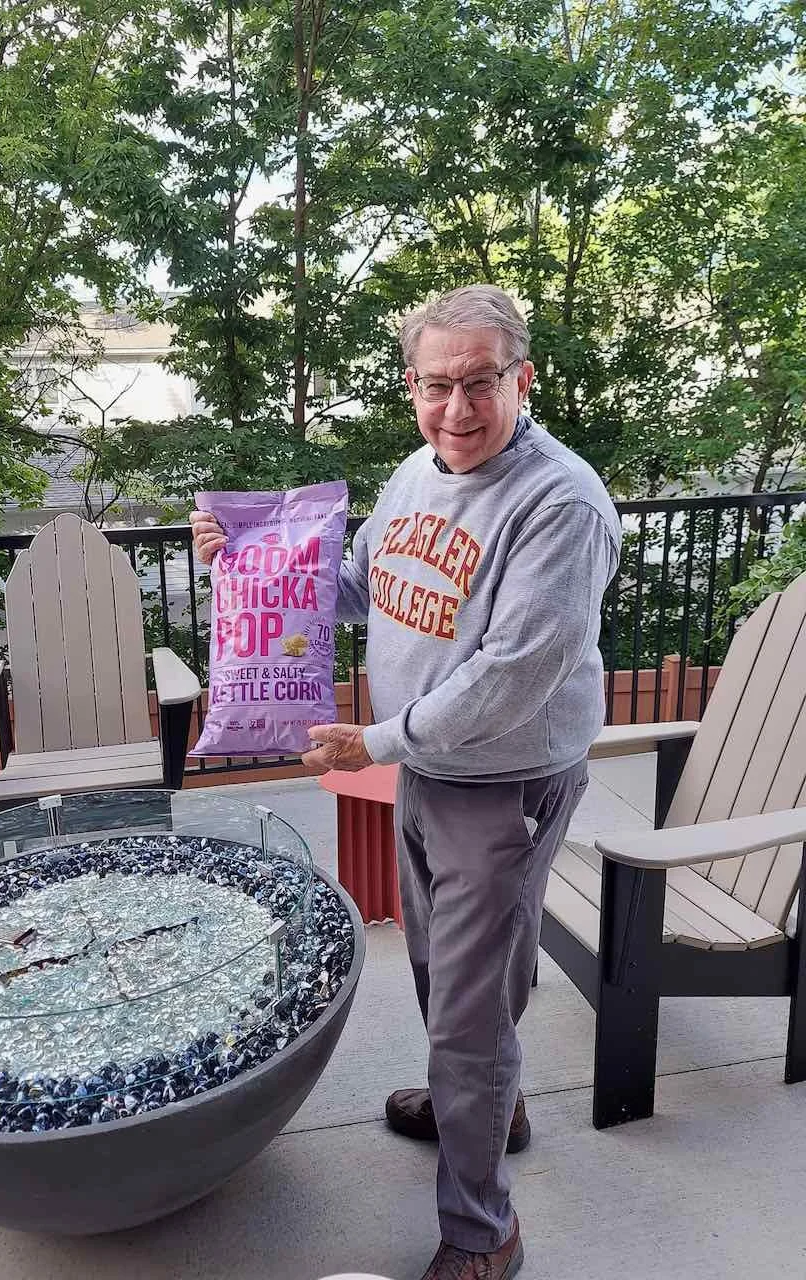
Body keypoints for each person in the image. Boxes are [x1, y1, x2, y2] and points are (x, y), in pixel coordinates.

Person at [191, 284, 621, 1280]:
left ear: (523, 379)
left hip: (504, 778)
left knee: (467, 1003)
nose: (458, 409)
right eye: (438, 385)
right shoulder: (413, 475)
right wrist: (251, 555)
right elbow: (357, 586)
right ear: (411, 388)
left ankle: (483, 1232)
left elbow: (516, 672)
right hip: (428, 765)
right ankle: (489, 1102)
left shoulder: (560, 503)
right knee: (443, 966)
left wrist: (376, 741)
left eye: (481, 383)